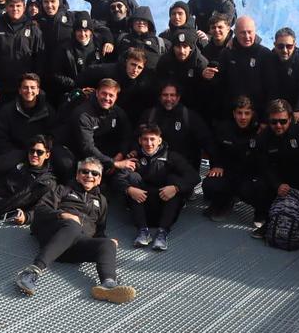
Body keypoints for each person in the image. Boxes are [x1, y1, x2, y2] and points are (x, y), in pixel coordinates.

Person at [13, 157, 137, 304]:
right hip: (55, 235)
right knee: (73, 225)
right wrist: (62, 214)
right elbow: (41, 209)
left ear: (99, 179)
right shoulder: (62, 190)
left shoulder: (102, 201)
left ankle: (108, 285)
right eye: (85, 171)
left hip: (74, 248)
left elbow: (99, 230)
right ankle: (30, 272)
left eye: (94, 173)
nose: (89, 176)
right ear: (77, 175)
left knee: (107, 243)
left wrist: (106, 241)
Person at [243, 100, 299, 248]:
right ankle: (269, 221)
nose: (278, 125)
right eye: (274, 122)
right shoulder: (264, 137)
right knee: (258, 186)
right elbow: (263, 165)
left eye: (283, 121)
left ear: (290, 119)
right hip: (282, 178)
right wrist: (276, 184)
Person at [113, 124, 200, 251]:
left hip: (166, 206)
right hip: (142, 207)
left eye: (152, 139)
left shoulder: (172, 156)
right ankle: (143, 232)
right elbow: (116, 179)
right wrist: (129, 189)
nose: (149, 143)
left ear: (159, 140)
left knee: (174, 179)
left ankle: (162, 233)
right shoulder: (134, 158)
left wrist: (176, 188)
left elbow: (194, 176)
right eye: (145, 139)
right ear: (140, 141)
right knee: (132, 178)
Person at [54, 78, 134, 180]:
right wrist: (114, 163)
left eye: (111, 95)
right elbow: (87, 147)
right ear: (97, 93)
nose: (107, 98)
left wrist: (120, 154)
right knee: (68, 166)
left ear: (116, 97)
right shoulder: (83, 114)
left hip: (96, 147)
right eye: (104, 94)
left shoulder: (117, 111)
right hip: (71, 148)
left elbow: (127, 134)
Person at [203, 16, 277, 120]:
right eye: (242, 33)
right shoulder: (227, 53)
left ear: (255, 32)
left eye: (249, 32)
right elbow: (219, 85)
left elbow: (271, 89)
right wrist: (208, 77)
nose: (247, 36)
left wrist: (265, 119)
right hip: (231, 115)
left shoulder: (264, 54)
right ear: (236, 33)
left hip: (257, 116)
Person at [136, 80, 216, 170]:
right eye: (165, 95)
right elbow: (136, 138)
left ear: (178, 97)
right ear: (160, 97)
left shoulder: (190, 117)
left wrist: (216, 165)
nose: (168, 99)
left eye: (172, 95)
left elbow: (207, 141)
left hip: (182, 168)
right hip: (153, 167)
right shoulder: (149, 115)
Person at [203, 96, 259, 221]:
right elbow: (214, 149)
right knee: (209, 185)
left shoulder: (259, 131)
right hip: (227, 172)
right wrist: (217, 164)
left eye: (247, 113)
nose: (243, 117)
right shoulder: (223, 128)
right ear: (234, 114)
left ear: (252, 114)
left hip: (247, 176)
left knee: (253, 192)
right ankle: (226, 199)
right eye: (239, 113)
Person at [0, 0, 44, 101]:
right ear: (6, 7)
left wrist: (35, 85)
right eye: (11, 6)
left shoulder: (33, 28)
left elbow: (39, 60)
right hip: (0, 88)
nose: (15, 9)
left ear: (24, 7)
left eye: (18, 6)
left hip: (25, 89)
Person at [0, 73, 58, 172]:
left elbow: (53, 134)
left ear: (38, 90)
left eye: (32, 87)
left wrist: (40, 152)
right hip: (14, 153)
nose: (29, 91)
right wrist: (18, 155)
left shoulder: (48, 111)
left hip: (39, 154)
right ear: (19, 91)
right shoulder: (7, 111)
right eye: (25, 87)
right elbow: (0, 137)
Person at [76, 49, 156, 124]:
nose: (135, 70)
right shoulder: (107, 71)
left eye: (139, 67)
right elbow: (83, 77)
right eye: (133, 64)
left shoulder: (142, 82)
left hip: (117, 115)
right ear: (126, 62)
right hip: (94, 111)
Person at [48, 14, 107, 102]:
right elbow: (56, 73)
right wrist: (75, 84)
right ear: (74, 32)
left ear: (91, 32)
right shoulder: (65, 49)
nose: (83, 34)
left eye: (86, 30)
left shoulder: (99, 45)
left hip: (95, 93)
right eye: (79, 30)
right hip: (72, 92)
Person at [154, 30, 209, 112]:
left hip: (194, 105)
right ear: (173, 47)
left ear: (191, 48)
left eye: (185, 46)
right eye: (178, 46)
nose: (181, 51)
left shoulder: (201, 63)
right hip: (170, 102)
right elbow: (159, 84)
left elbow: (205, 91)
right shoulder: (165, 61)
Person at [273, 27, 299, 123]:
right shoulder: (268, 59)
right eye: (280, 46)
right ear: (275, 45)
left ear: (295, 45)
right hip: (273, 112)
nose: (284, 50)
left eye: (289, 46)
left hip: (295, 112)